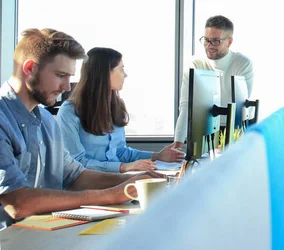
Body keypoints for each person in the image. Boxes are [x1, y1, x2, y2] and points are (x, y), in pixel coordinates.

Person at [0, 28, 162, 230]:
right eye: (61, 75)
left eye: (70, 77)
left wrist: (132, 182)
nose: (67, 87)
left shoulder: (47, 122)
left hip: (40, 235)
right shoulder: (2, 120)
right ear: (30, 68)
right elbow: (17, 203)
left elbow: (76, 176)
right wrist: (111, 195)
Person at [56, 47, 184, 173]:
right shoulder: (70, 112)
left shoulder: (117, 106)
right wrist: (123, 167)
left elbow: (119, 152)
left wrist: (158, 156)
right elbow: (76, 162)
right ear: (106, 73)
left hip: (115, 180)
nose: (126, 75)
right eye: (121, 69)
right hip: (88, 184)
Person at [173, 15, 254, 148]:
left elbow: (239, 106)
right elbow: (186, 105)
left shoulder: (243, 64)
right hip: (204, 128)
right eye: (206, 40)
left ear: (229, 42)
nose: (209, 46)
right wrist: (178, 143)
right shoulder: (196, 64)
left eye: (215, 41)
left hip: (235, 129)